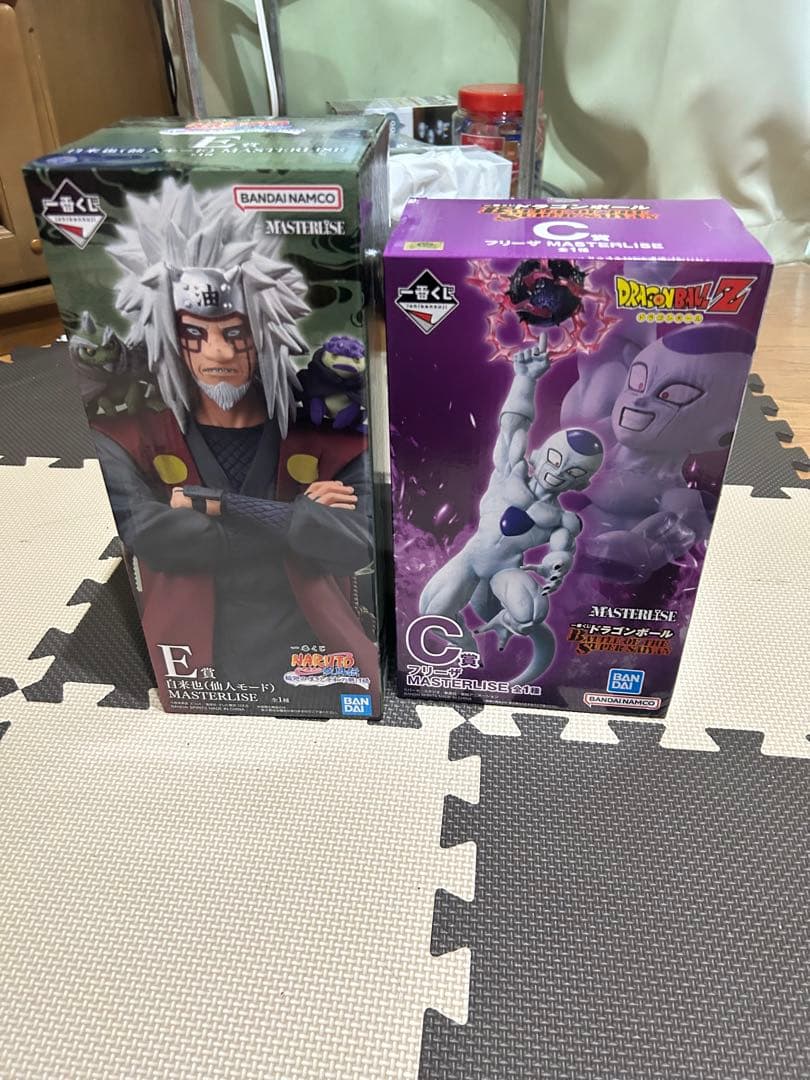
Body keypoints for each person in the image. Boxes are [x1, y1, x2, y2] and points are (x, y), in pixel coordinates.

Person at [90, 177, 379, 711]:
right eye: (194, 335)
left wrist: (219, 505)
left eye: (235, 332)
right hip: (196, 666)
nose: (218, 353)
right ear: (168, 337)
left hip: (322, 658)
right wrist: (296, 520)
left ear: (264, 331)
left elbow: (354, 544)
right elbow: (156, 538)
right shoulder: (129, 438)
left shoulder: (331, 436)